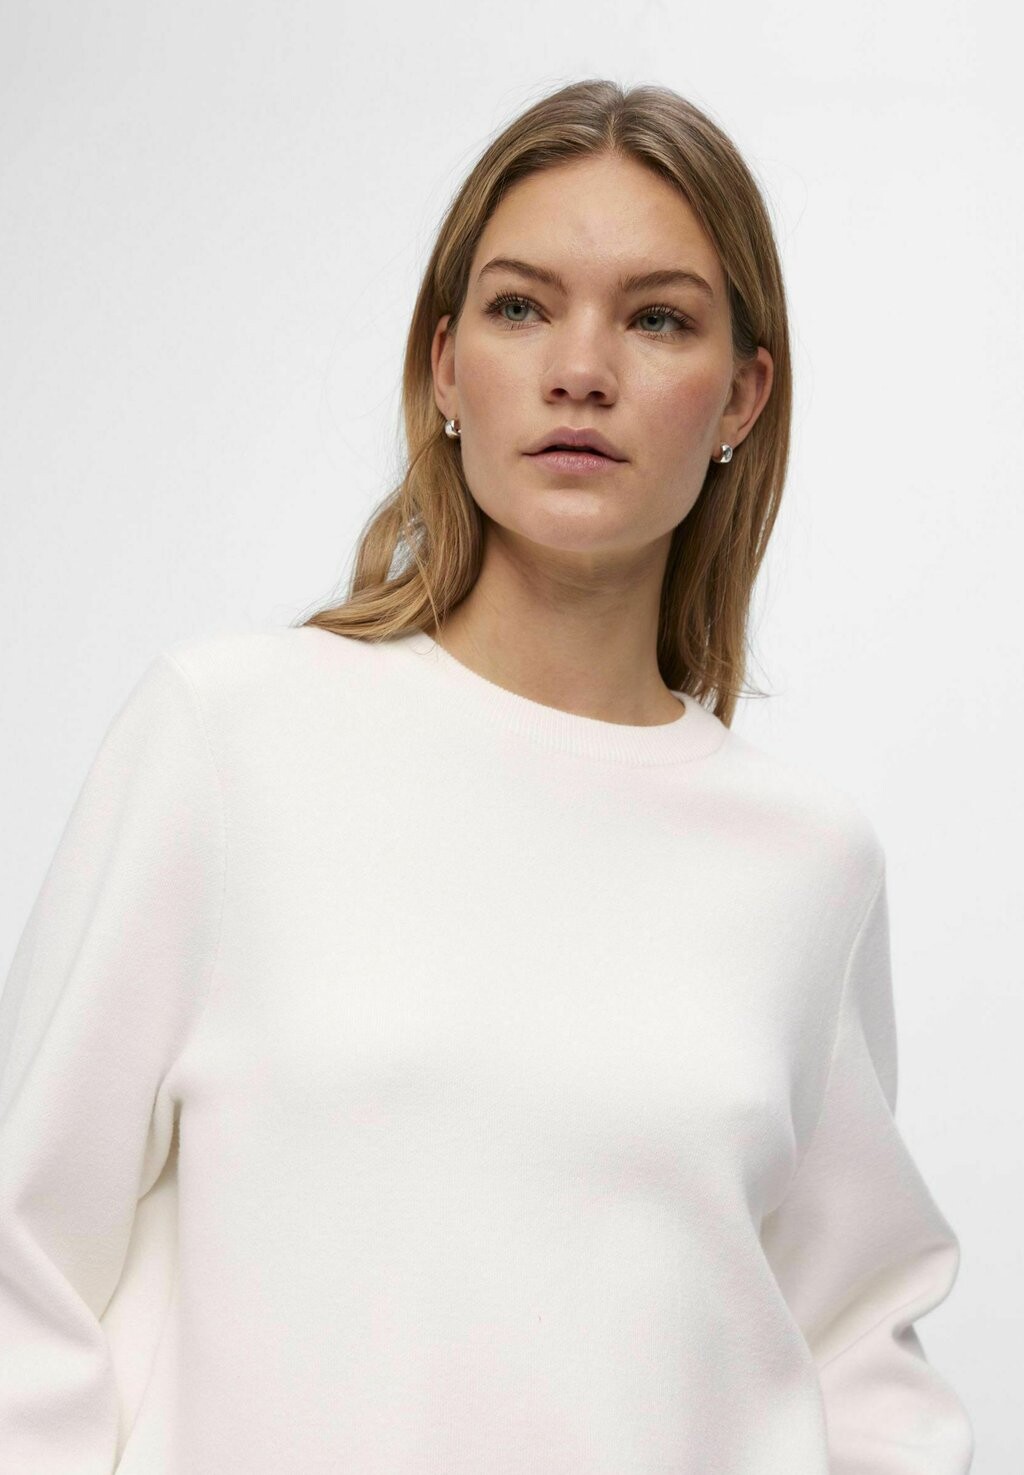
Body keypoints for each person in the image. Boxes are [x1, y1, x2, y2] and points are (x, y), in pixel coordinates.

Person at [0, 78, 974, 1474]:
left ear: (742, 397)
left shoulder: (809, 862)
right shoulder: (230, 737)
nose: (582, 369)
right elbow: (24, 1262)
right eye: (523, 307)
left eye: (658, 319)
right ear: (447, 365)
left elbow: (860, 1347)